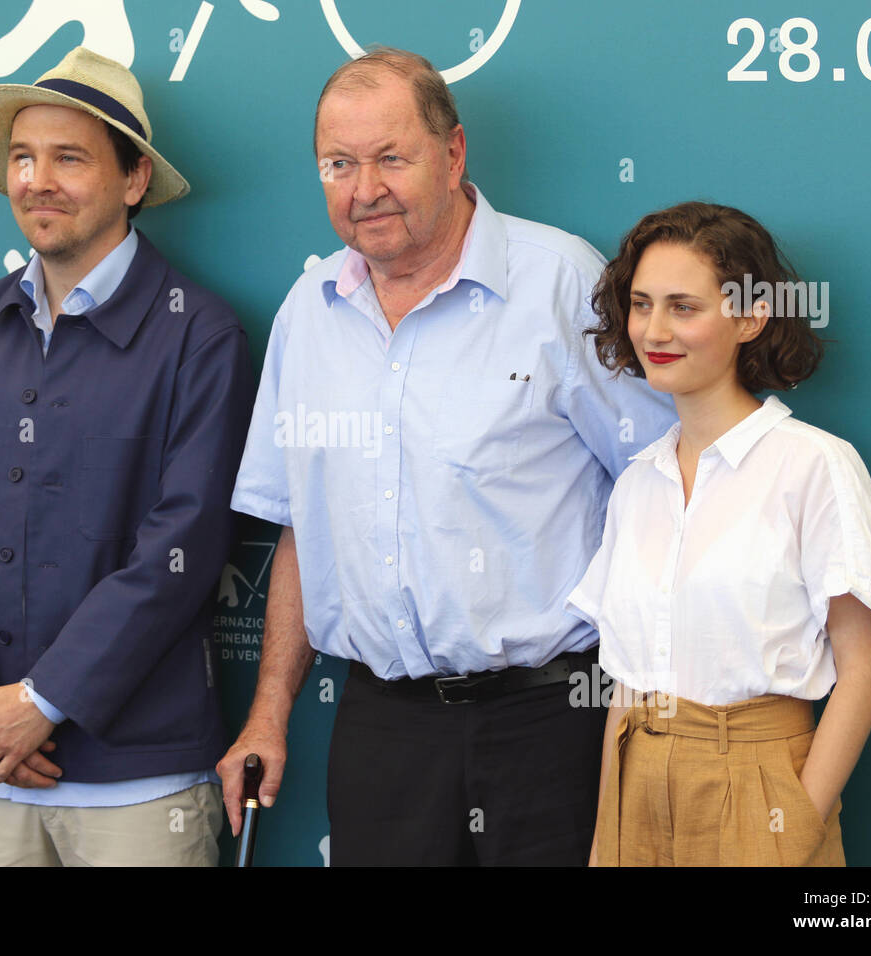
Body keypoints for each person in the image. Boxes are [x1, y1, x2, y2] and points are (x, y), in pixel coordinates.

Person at [218, 47, 675, 865]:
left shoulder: (561, 283)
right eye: (339, 164)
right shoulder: (308, 312)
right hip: (379, 733)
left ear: (455, 152)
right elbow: (298, 527)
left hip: (552, 722)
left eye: (393, 157)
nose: (365, 190)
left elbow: (664, 487)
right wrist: (268, 714)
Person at [0, 47, 254, 866]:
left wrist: (43, 702)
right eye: (23, 157)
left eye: (68, 158)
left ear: (133, 181)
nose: (37, 179)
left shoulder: (199, 334)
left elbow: (183, 545)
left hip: (140, 783)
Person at [569, 201, 871, 866]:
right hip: (636, 786)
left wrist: (792, 828)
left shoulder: (814, 466)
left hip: (761, 787)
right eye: (640, 304)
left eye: (683, 307)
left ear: (749, 316)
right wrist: (606, 846)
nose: (654, 329)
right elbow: (626, 685)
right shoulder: (637, 483)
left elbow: (863, 671)